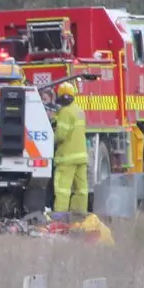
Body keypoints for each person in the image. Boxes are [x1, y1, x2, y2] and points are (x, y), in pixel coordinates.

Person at [52, 81, 90, 213]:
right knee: (81, 190)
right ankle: (79, 216)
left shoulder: (65, 112)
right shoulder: (79, 111)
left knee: (62, 189)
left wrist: (49, 142)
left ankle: (60, 218)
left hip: (66, 158)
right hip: (81, 157)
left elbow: (60, 135)